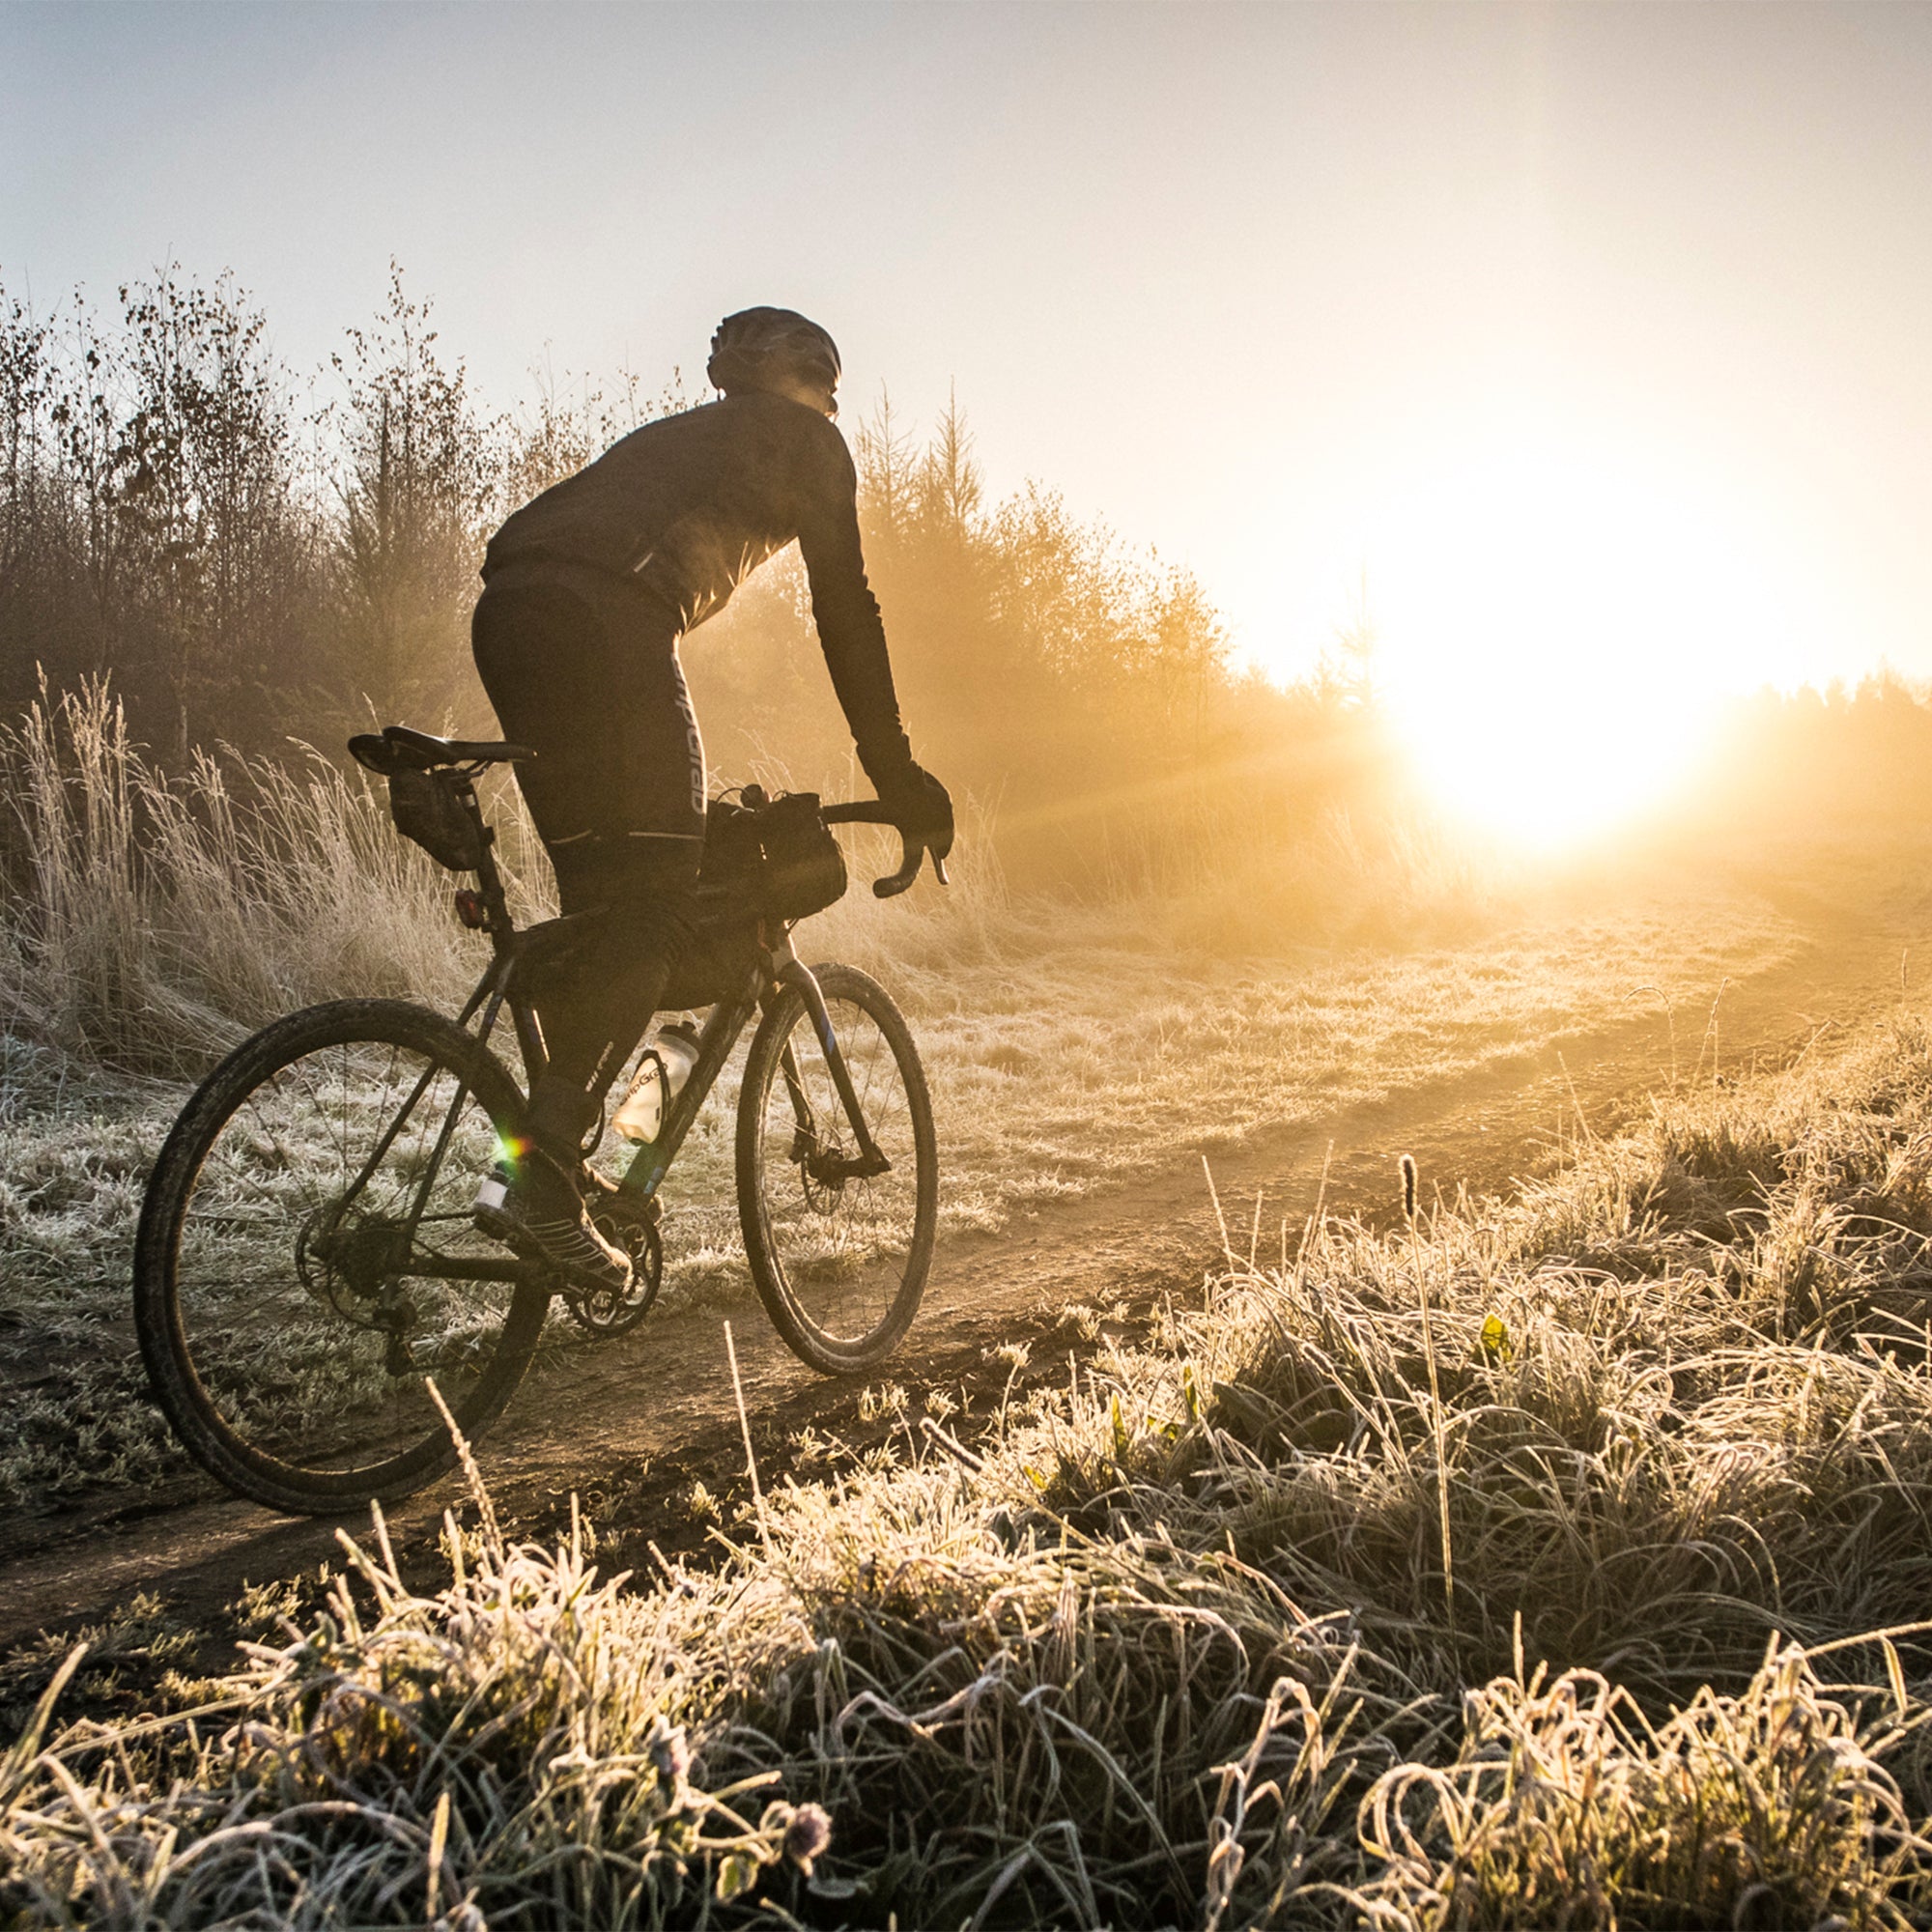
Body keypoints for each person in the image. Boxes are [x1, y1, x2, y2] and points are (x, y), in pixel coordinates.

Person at [469, 306, 952, 1293]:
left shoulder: (693, 439)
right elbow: (843, 605)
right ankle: (541, 1183)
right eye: (833, 390)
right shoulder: (806, 440)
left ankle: (541, 1155)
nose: (835, 408)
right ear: (813, 382)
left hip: (512, 611)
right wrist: (896, 770)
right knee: (650, 908)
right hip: (602, 615)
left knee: (609, 918)